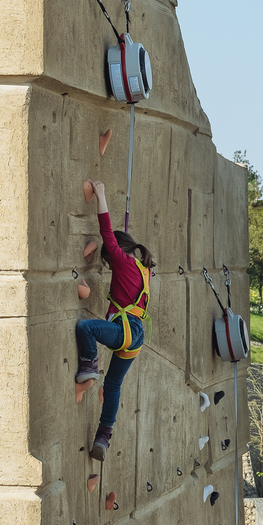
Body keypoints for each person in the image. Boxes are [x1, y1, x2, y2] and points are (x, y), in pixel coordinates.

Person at [75, 180, 156, 461]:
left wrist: (101, 195)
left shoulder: (124, 262)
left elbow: (107, 233)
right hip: (135, 339)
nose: (109, 264)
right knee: (112, 386)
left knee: (85, 327)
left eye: (109, 260)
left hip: (124, 331)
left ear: (117, 253)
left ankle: (89, 366)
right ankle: (104, 436)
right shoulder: (143, 270)